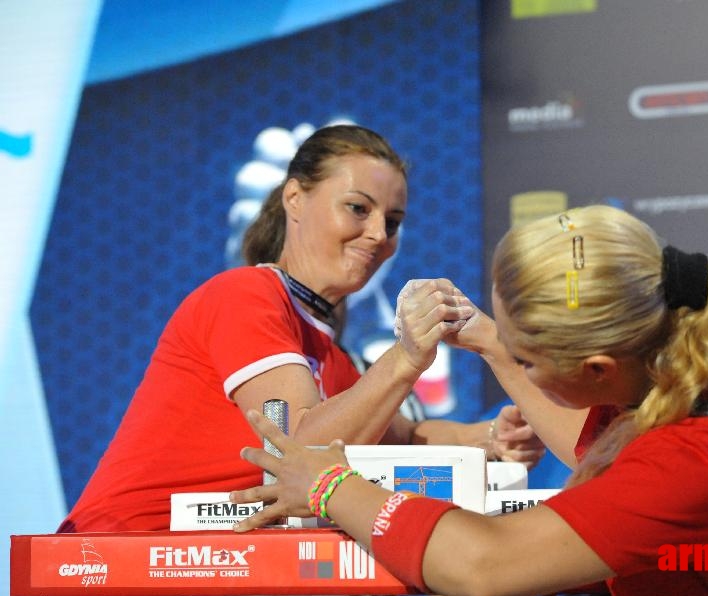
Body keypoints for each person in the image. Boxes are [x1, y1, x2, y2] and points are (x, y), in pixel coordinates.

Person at [230, 205, 708, 596]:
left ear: (597, 368)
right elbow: (599, 453)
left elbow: (487, 564)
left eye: (531, 357)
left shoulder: (696, 458)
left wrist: (329, 484)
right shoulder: (688, 393)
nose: (519, 364)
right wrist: (492, 344)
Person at [58, 124, 543, 533]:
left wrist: (491, 442)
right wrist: (407, 356)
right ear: (294, 197)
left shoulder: (336, 357)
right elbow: (296, 450)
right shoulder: (245, 294)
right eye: (358, 208)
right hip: (114, 565)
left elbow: (407, 440)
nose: (378, 234)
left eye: (393, 222)